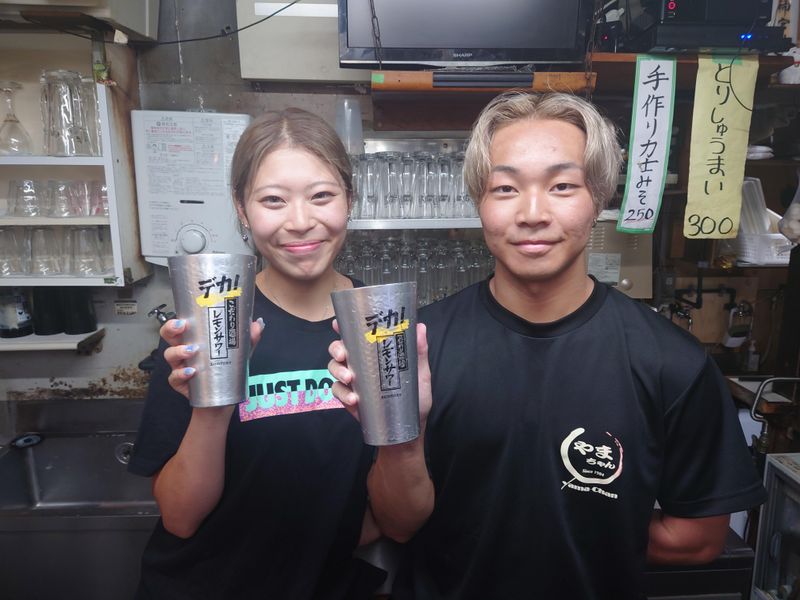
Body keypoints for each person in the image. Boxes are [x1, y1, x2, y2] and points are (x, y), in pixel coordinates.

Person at [328, 91, 767, 599]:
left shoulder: (672, 362)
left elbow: (698, 538)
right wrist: (403, 435)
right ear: (478, 202)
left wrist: (573, 531)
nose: (532, 213)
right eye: (505, 188)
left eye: (562, 186)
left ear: (598, 198)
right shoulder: (418, 349)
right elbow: (397, 524)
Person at [129, 108, 385, 599]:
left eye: (321, 196)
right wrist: (213, 406)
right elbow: (180, 518)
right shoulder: (207, 327)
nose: (300, 222)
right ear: (242, 209)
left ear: (349, 199)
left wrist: (314, 547)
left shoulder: (378, 326)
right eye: (273, 200)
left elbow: (393, 503)